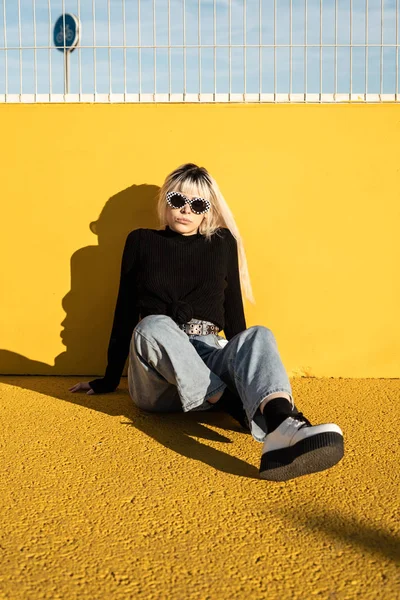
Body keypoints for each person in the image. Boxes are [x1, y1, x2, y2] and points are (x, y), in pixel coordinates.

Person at [69, 163, 344, 482]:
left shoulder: (222, 243)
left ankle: (284, 426)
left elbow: (234, 314)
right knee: (152, 325)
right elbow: (125, 309)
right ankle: (232, 405)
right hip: (158, 379)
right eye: (177, 200)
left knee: (258, 336)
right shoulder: (141, 241)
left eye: (197, 204)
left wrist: (244, 370)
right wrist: (107, 379)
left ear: (207, 211)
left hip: (210, 353)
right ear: (165, 201)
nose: (185, 210)